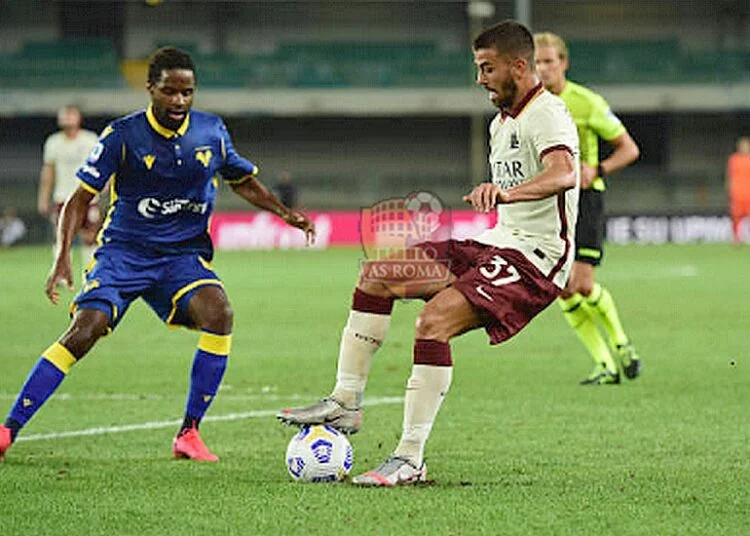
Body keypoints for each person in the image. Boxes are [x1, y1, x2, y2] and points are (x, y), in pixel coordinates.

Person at [278, 20, 579, 485]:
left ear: (519, 66)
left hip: (536, 259)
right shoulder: (503, 121)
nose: (480, 79)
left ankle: (410, 458)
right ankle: (344, 402)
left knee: (433, 321)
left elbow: (563, 174)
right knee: (379, 273)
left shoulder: (548, 113)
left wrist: (505, 193)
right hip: (497, 242)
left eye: (487, 68)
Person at [0, 47, 315, 463]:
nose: (180, 101)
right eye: (170, 91)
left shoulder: (211, 131)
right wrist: (61, 256)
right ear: (151, 89)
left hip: (181, 258)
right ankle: (8, 430)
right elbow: (79, 200)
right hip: (124, 254)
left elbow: (242, 180)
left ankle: (189, 433)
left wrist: (283, 212)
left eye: (188, 92)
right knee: (85, 329)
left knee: (219, 313)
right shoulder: (122, 135)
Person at [534, 32, 641, 385]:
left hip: (586, 200)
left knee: (581, 283)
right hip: (550, 203)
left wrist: (598, 169)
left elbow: (629, 148)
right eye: (536, 62)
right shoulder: (529, 106)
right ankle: (605, 365)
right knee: (562, 288)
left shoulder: (587, 102)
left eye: (549, 61)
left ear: (563, 63)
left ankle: (622, 343)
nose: (543, 68)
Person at [38, 105, 101, 265]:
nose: (67, 119)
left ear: (79, 118)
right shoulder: (53, 142)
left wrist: (104, 184)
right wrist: (43, 198)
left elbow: (100, 166)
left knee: (90, 236)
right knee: (62, 236)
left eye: (71, 115)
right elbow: (48, 172)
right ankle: (62, 273)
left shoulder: (90, 139)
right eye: (64, 115)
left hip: (87, 196)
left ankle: (91, 273)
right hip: (63, 197)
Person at [726, 136, 750, 244]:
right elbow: (729, 176)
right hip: (737, 194)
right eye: (743, 146)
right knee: (736, 217)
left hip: (749, 194)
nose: (745, 148)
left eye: (746, 146)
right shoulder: (734, 159)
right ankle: (736, 238)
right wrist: (729, 190)